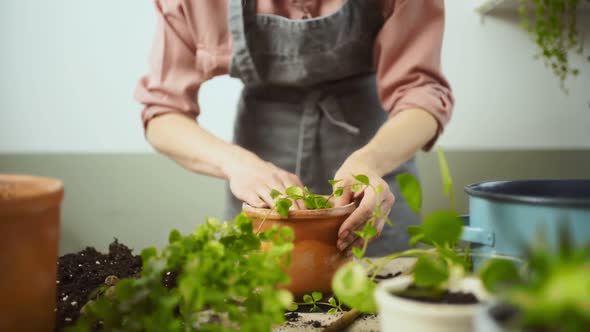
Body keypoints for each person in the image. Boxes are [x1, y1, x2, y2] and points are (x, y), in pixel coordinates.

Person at [135, 0, 454, 257]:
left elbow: (422, 94)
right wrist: (238, 165)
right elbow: (164, 112)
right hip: (261, 161)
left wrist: (369, 162)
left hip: (375, 155)